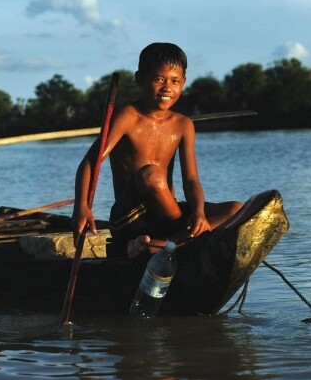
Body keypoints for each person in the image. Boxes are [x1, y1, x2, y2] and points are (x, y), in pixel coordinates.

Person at [71, 43, 243, 258]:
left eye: (175, 81)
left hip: (168, 213)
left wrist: (198, 212)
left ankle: (161, 244)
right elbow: (90, 163)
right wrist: (81, 207)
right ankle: (183, 237)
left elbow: (190, 180)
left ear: (184, 83)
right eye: (158, 79)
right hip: (133, 216)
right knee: (151, 174)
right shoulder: (127, 117)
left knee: (237, 209)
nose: (167, 87)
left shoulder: (183, 124)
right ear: (139, 79)